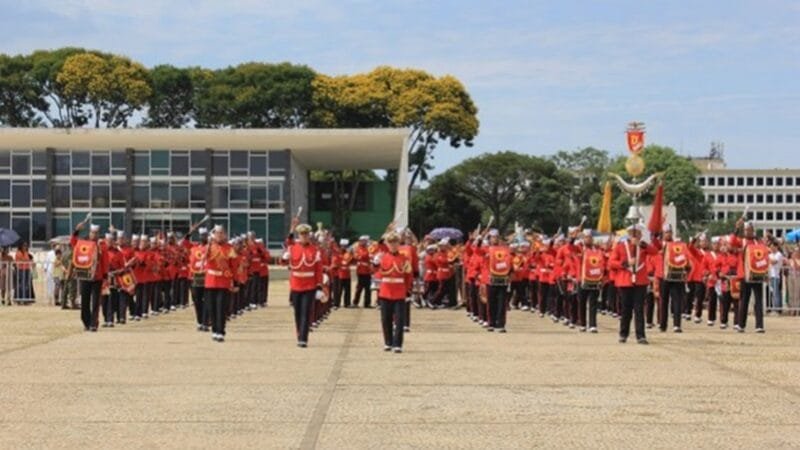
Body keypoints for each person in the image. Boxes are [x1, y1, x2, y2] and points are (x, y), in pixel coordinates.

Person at [608, 224, 660, 344]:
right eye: (632, 233)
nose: (635, 236)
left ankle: (640, 335)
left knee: (639, 309)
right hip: (625, 280)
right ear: (629, 234)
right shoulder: (620, 246)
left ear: (641, 235)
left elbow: (655, 252)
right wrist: (625, 263)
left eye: (637, 234)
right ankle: (623, 333)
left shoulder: (643, 246)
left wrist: (642, 244)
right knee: (626, 309)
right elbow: (611, 262)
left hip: (640, 281)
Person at [284, 219, 323, 348]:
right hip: (296, 285)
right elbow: (287, 247)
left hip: (309, 286)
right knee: (298, 312)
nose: (304, 236)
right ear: (298, 235)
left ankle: (303, 338)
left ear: (309, 235)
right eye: (301, 234)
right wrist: (292, 227)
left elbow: (318, 270)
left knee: (306, 312)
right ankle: (299, 333)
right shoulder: (293, 248)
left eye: (306, 234)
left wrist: (319, 286)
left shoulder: (315, 250)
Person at [375, 232, 413, 353]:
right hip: (385, 291)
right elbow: (378, 274)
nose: (393, 245)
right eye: (390, 243)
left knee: (400, 319)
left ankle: (398, 344)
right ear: (387, 244)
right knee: (386, 319)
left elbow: (408, 276)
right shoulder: (383, 257)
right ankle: (388, 342)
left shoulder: (404, 258)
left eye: (395, 243)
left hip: (399, 291)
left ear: (398, 244)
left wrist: (407, 290)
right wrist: (375, 264)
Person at [729, 219, 768, 333]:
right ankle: (741, 325)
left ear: (753, 230)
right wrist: (736, 229)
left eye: (750, 230)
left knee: (758, 301)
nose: (748, 232)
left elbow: (764, 255)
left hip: (757, 274)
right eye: (746, 230)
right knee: (744, 300)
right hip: (744, 274)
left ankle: (759, 325)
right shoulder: (741, 241)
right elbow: (732, 242)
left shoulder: (758, 242)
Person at [71, 222, 109, 332]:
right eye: (93, 233)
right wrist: (76, 230)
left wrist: (105, 274)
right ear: (89, 233)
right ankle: (86, 322)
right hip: (85, 275)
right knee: (85, 301)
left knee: (96, 301)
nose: (94, 235)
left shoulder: (102, 244)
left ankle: (93, 323)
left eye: (96, 233)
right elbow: (73, 243)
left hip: (97, 276)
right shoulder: (84, 242)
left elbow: (105, 260)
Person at [204, 225, 237, 342]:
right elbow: (204, 260)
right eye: (217, 233)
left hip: (224, 281)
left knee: (221, 308)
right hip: (211, 281)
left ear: (225, 235)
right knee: (212, 308)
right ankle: (214, 330)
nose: (219, 235)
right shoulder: (209, 247)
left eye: (222, 233)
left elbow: (234, 266)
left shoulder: (230, 248)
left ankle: (221, 331)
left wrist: (235, 282)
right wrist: (208, 245)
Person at [768, 242, 784, 314]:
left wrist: (766, 257)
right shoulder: (770, 255)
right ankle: (774, 308)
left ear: (776, 247)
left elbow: (774, 262)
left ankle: (777, 309)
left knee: (776, 293)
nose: (771, 248)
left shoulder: (779, 254)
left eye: (772, 247)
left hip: (776, 276)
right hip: (770, 276)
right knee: (772, 293)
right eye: (770, 247)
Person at [786, 247, 800, 316]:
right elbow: (785, 265)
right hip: (790, 277)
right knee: (791, 293)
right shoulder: (790, 260)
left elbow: (797, 267)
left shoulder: (798, 260)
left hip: (797, 278)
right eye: (794, 251)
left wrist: (794, 260)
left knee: (796, 294)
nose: (795, 253)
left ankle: (796, 310)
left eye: (796, 251)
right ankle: (791, 309)